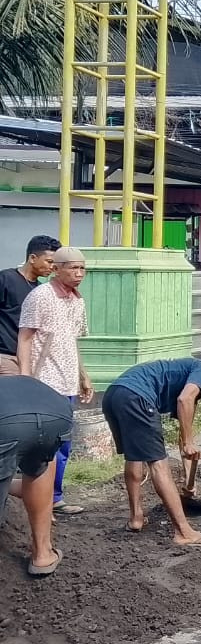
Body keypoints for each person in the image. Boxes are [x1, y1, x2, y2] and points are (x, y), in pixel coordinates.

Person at [102, 349, 201, 547]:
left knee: (134, 457)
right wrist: (190, 442)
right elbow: (184, 400)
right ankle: (184, 532)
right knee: (159, 466)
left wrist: (188, 480)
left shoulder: (187, 376)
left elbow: (183, 441)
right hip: (137, 397)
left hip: (115, 394)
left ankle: (136, 518)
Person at [18, 245, 93, 516]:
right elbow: (25, 339)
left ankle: (55, 497)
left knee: (64, 444)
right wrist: (25, 379)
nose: (79, 273)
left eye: (82, 268)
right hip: (44, 381)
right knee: (43, 446)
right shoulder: (40, 297)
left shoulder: (77, 300)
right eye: (73, 268)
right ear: (56, 269)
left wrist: (83, 375)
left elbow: (71, 341)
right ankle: (37, 502)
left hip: (68, 381)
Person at [0, 376, 74, 575]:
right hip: (57, 414)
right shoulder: (18, 383)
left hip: (6, 423)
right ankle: (42, 555)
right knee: (40, 467)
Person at [0, 234, 60, 376]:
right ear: (33, 258)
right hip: (5, 357)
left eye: (55, 264)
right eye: (49, 262)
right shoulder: (6, 279)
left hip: (28, 360)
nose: (52, 267)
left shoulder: (41, 290)